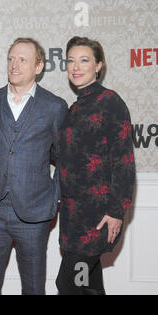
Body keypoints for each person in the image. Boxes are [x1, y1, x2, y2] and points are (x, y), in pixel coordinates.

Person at [0, 38, 68, 295]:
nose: (14, 65)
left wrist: (54, 198)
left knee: (33, 287)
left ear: (39, 66)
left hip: (34, 213)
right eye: (11, 58)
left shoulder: (54, 107)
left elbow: (65, 159)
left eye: (23, 59)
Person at [55, 36, 135, 295]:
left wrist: (116, 212)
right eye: (71, 61)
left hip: (97, 217)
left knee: (68, 284)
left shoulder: (110, 102)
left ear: (99, 66)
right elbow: (66, 159)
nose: (76, 67)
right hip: (72, 214)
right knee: (87, 285)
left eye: (84, 60)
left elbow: (123, 162)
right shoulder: (74, 108)